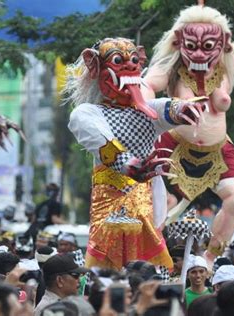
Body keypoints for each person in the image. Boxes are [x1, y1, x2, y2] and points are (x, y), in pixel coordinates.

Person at [142, 5, 234, 266]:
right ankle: (149, 257)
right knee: (157, 203)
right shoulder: (172, 67)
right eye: (192, 46)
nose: (200, 54)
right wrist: (152, 111)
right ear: (179, 42)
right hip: (174, 145)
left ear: (222, 43)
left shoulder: (228, 65)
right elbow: (147, 84)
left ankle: (209, 258)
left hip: (218, 149)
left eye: (208, 46)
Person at [66, 37, 204, 270]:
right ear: (95, 67)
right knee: (104, 260)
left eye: (134, 61)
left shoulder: (147, 112)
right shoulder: (88, 113)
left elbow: (165, 108)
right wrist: (128, 164)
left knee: (152, 264)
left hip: (143, 200)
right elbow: (96, 136)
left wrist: (184, 108)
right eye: (119, 61)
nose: (130, 67)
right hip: (109, 198)